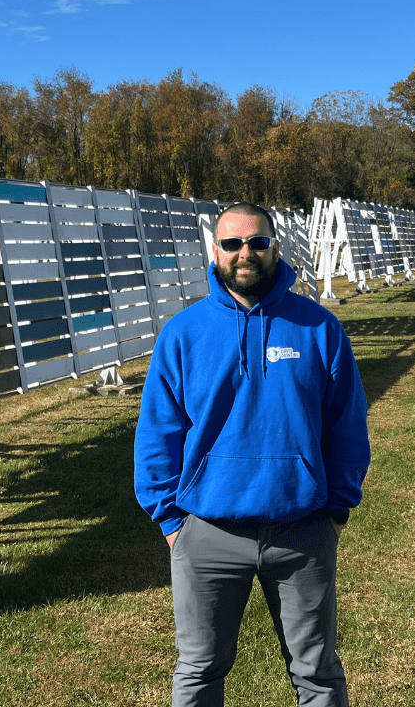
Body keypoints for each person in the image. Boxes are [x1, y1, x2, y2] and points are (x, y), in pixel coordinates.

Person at [134, 202, 371, 706]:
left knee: (317, 671)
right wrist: (172, 523)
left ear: (276, 247)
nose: (246, 253)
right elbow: (158, 433)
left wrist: (336, 510)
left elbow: (347, 425)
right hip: (208, 534)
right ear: (214, 251)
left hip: (303, 532)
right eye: (233, 243)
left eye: (258, 242)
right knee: (198, 670)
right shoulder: (183, 334)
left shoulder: (318, 328)